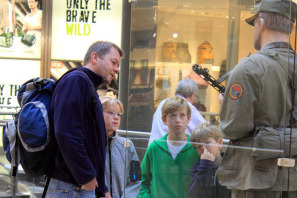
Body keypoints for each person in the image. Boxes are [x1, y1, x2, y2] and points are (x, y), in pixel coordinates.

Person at [216, 0, 297, 197]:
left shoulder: (249, 68)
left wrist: (223, 104)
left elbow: (233, 127)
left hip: (257, 182)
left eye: (254, 25)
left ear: (261, 23)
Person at [46, 41, 124, 198]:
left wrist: (101, 188)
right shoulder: (77, 80)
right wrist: (86, 176)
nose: (116, 69)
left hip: (77, 186)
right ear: (95, 57)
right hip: (71, 187)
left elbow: (92, 142)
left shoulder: (86, 84)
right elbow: (67, 132)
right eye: (113, 62)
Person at [138, 96, 199, 198]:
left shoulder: (196, 147)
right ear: (163, 119)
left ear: (188, 119)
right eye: (172, 115)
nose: (178, 120)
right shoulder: (154, 148)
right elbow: (142, 181)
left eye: (182, 115)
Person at [100, 96, 141, 198]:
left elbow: (136, 179)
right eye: (110, 113)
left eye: (119, 114)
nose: (116, 117)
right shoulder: (89, 145)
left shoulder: (128, 145)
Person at [148, 78, 206, 145]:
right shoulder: (187, 106)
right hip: (171, 150)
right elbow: (205, 130)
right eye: (173, 116)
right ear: (192, 96)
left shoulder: (162, 103)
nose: (178, 120)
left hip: (157, 148)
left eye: (182, 115)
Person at [189, 123, 231, 198]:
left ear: (219, 143)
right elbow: (196, 194)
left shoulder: (230, 165)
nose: (203, 148)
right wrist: (205, 165)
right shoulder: (196, 169)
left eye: (207, 143)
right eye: (199, 146)